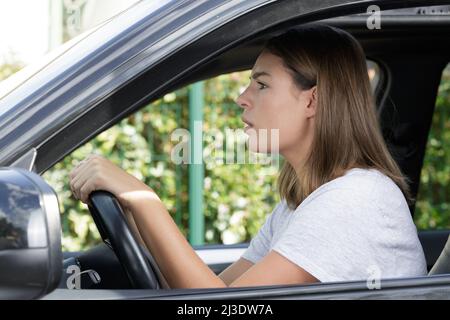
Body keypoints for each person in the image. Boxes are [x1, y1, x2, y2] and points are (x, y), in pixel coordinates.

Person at [69, 24, 427, 288]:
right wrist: (133, 214)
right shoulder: (300, 206)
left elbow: (223, 310)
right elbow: (215, 292)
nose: (242, 97)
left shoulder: (354, 200)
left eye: (262, 84)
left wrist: (144, 198)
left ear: (311, 101)